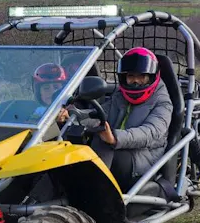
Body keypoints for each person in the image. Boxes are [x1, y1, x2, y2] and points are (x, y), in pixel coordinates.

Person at [60, 47, 174, 192]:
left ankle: (95, 197)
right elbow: (98, 115)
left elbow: (150, 133)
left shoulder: (163, 102)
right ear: (124, 77)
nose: (135, 82)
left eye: (141, 76)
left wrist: (115, 138)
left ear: (151, 77)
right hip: (117, 149)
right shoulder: (120, 96)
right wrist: (72, 115)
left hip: (144, 158)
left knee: (103, 145)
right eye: (131, 76)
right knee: (72, 144)